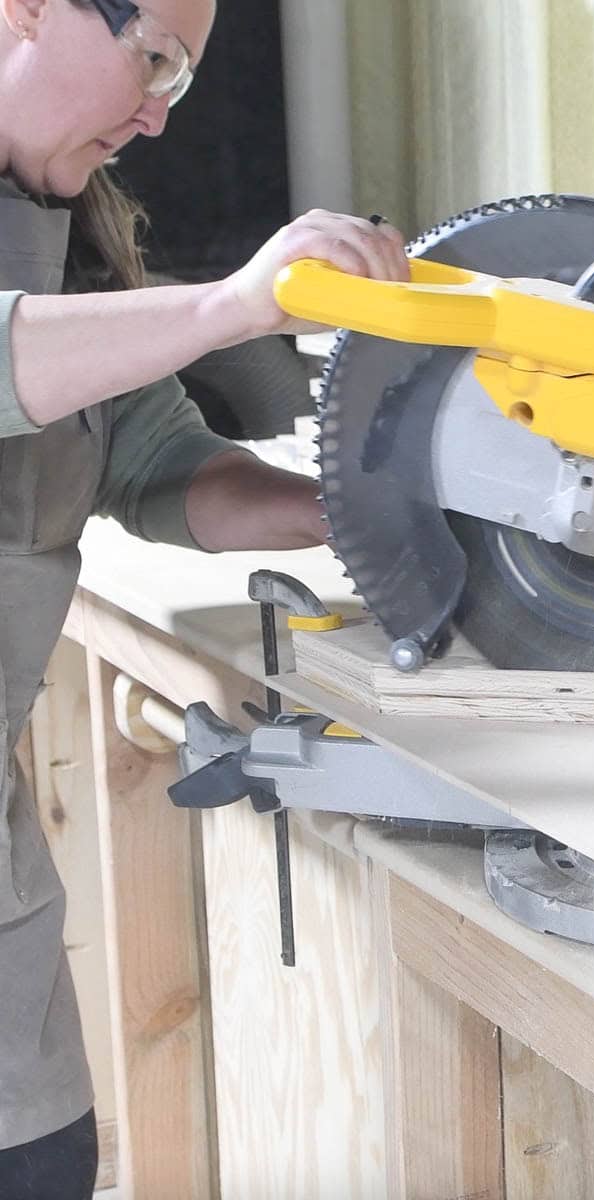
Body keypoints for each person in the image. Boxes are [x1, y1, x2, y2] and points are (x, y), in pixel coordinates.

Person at [0, 0, 409, 1193]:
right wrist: (235, 301)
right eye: (156, 60)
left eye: (178, 83)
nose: (157, 114)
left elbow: (158, 463)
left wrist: (381, 509)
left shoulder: (64, 230)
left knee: (44, 1161)